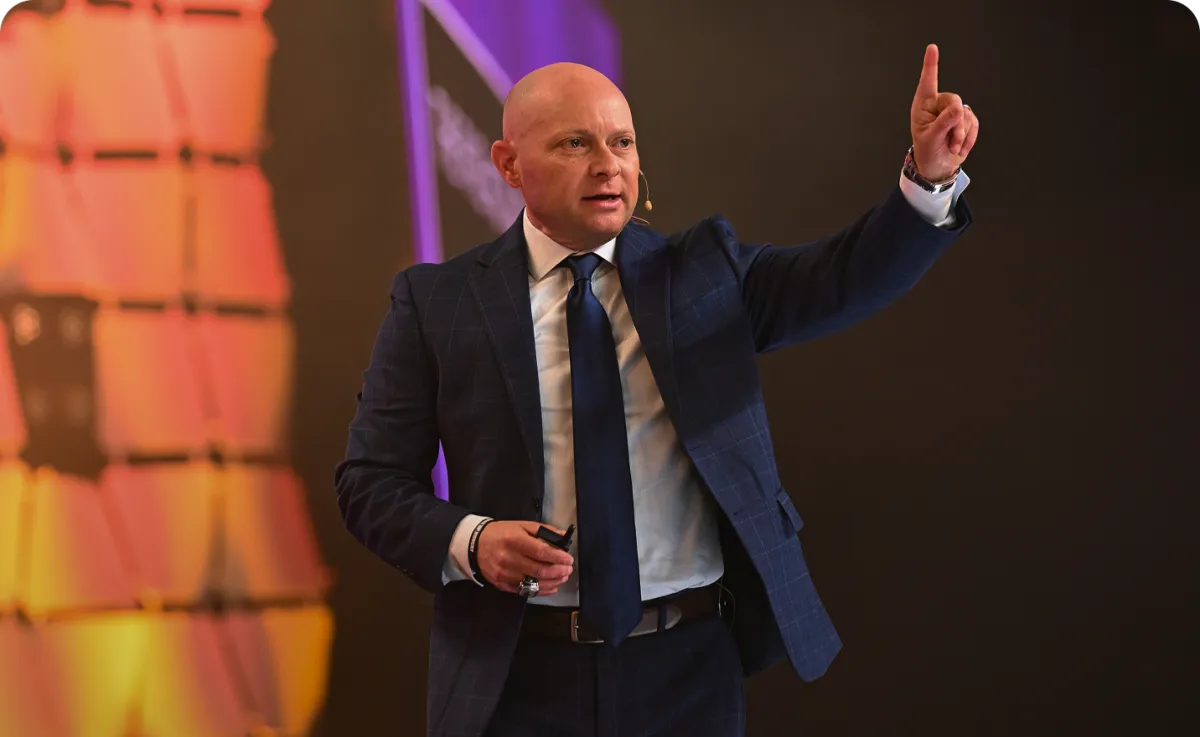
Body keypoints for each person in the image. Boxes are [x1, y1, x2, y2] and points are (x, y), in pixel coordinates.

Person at [335, 44, 978, 737]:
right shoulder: (437, 301)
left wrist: (929, 180)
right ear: (508, 164)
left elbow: (843, 277)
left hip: (688, 669)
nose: (608, 165)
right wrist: (474, 540)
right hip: (516, 672)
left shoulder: (704, 272)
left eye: (622, 142)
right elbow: (370, 482)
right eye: (575, 143)